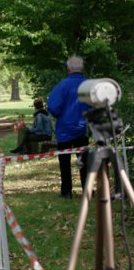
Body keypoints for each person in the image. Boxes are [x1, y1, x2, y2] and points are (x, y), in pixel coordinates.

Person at [47, 55, 91, 198]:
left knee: (64, 162)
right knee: (84, 162)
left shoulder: (62, 85)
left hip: (64, 130)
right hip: (82, 129)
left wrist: (58, 115)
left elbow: (53, 106)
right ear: (82, 68)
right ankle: (87, 190)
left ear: (68, 69)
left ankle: (66, 191)